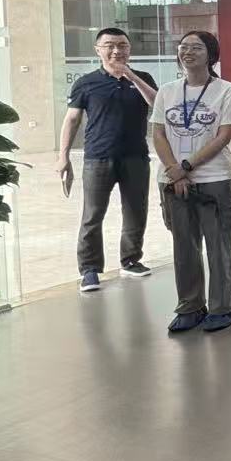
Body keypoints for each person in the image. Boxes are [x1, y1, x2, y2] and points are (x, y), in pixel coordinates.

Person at [149, 31, 231, 333]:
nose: (188, 52)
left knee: (219, 247)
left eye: (196, 47)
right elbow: (158, 133)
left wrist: (186, 167)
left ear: (211, 54)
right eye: (183, 47)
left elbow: (223, 136)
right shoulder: (167, 91)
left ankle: (224, 307)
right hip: (174, 181)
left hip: (213, 179)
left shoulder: (226, 90)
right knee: (184, 247)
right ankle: (190, 306)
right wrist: (174, 170)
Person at [58, 26, 158, 292]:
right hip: (98, 158)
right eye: (109, 45)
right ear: (98, 50)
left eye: (122, 45)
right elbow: (72, 120)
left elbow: (157, 105)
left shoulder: (143, 78)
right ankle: (89, 269)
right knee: (92, 214)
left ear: (129, 49)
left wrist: (131, 76)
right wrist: (63, 156)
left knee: (136, 211)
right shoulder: (86, 83)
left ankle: (131, 260)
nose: (116, 51)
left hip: (136, 156)